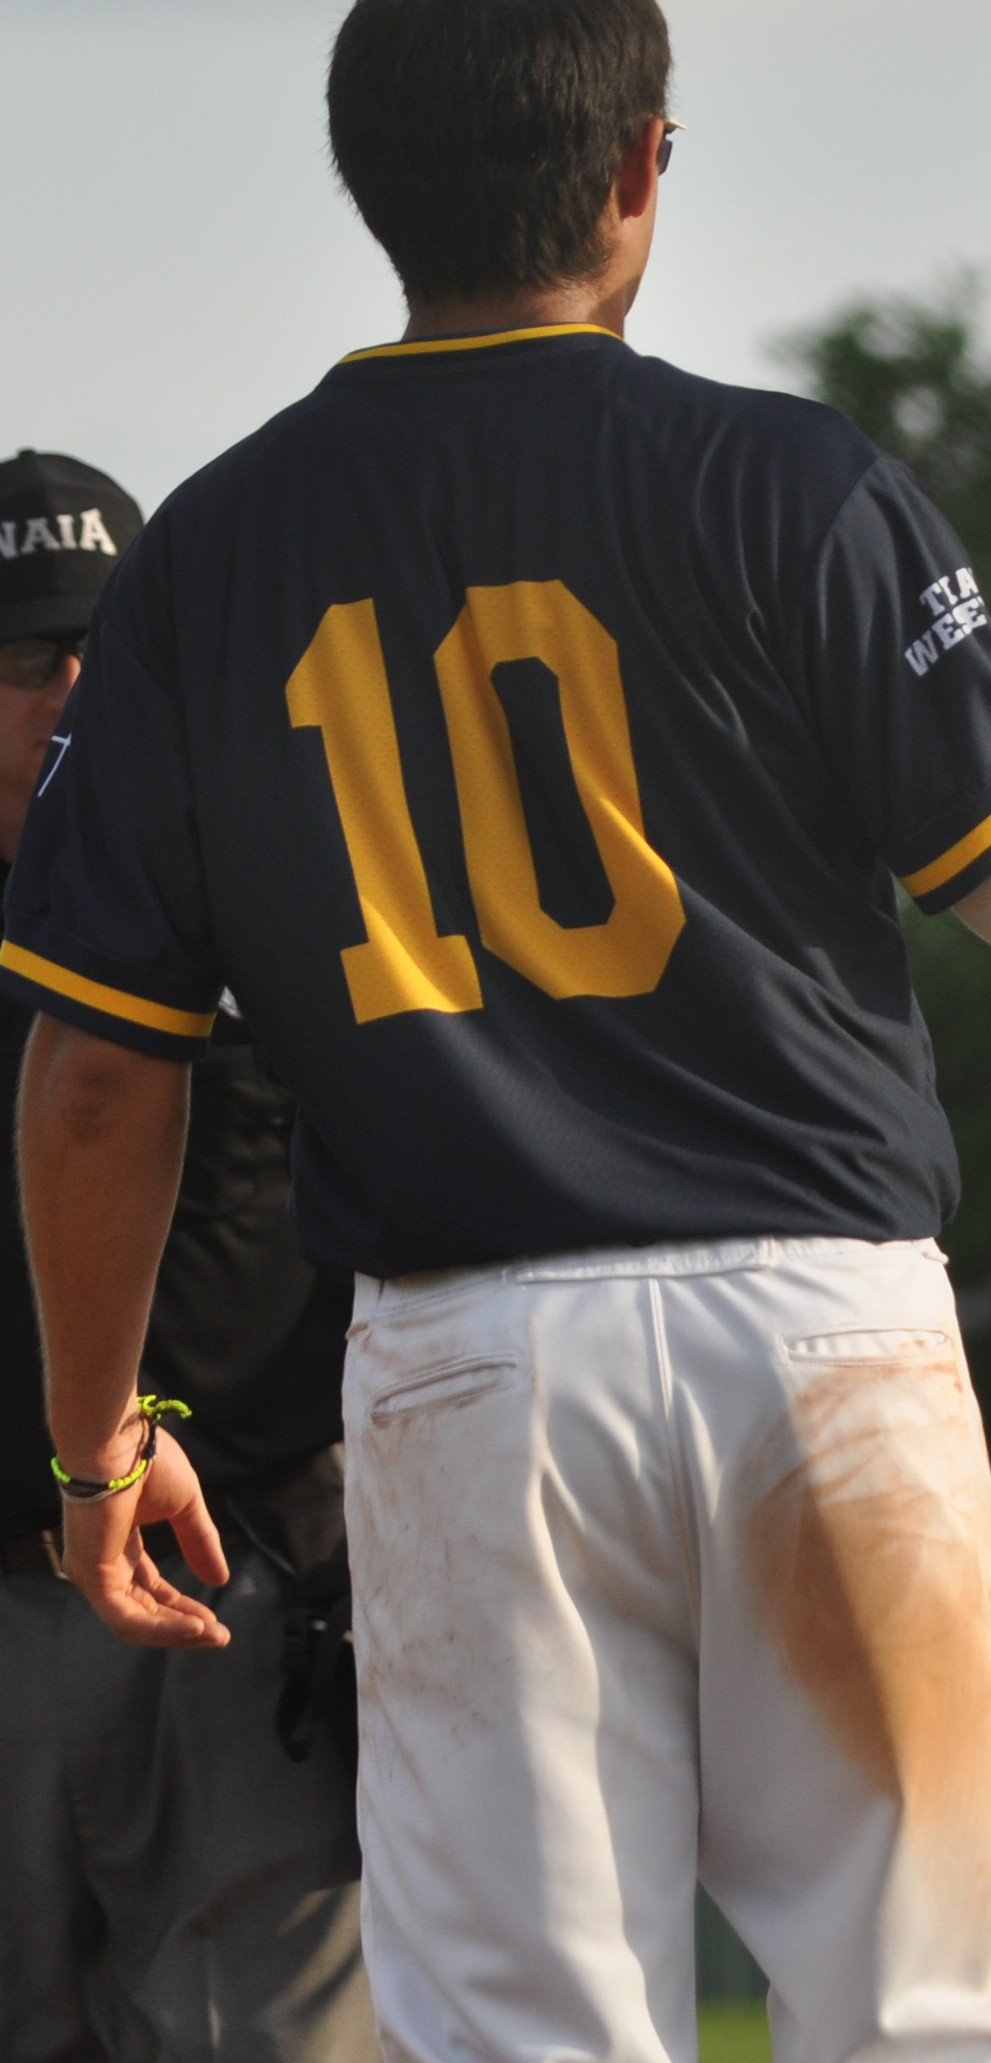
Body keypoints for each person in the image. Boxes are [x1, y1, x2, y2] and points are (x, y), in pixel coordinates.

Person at [8, 0, 991, 2063]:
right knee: (920, 2015)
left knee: (523, 2030)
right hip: (814, 1331)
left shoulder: (212, 551)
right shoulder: (780, 480)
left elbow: (88, 1086)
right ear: (642, 168)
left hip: (456, 1363)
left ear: (363, 180)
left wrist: (90, 1446)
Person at [0, 451, 371, 2063]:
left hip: (241, 1609)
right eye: (25, 659)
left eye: (105, 649)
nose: (71, 691)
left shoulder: (299, 888)